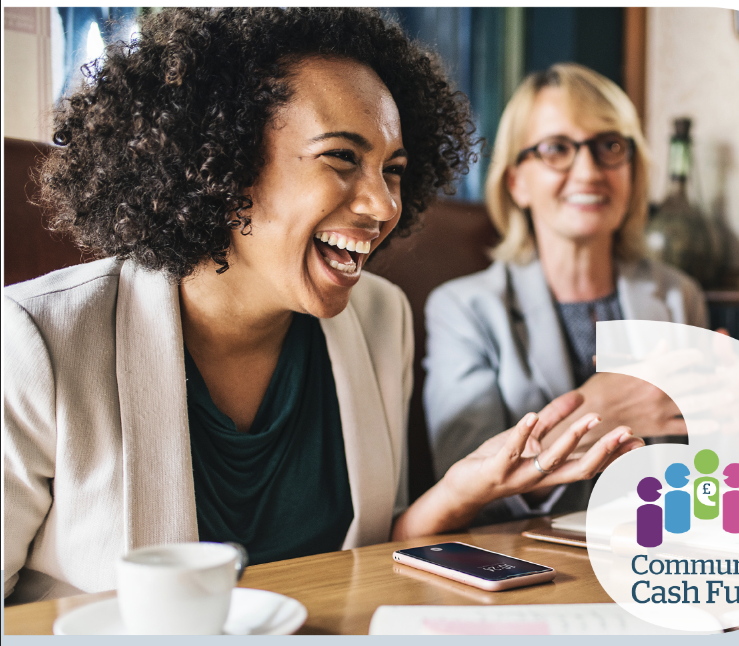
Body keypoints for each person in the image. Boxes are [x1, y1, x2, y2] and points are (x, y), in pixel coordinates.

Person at [3, 10, 642, 604]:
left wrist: (454, 493)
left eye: (393, 170)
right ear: (222, 164)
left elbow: (359, 556)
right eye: (341, 157)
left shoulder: (381, 319)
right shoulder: (36, 341)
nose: (384, 205)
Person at [424, 63, 707, 522]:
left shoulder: (679, 296)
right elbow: (464, 490)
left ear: (632, 170)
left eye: (610, 146)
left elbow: (701, 469)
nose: (589, 170)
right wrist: (596, 415)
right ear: (517, 182)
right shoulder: (463, 309)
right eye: (557, 148)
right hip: (527, 566)